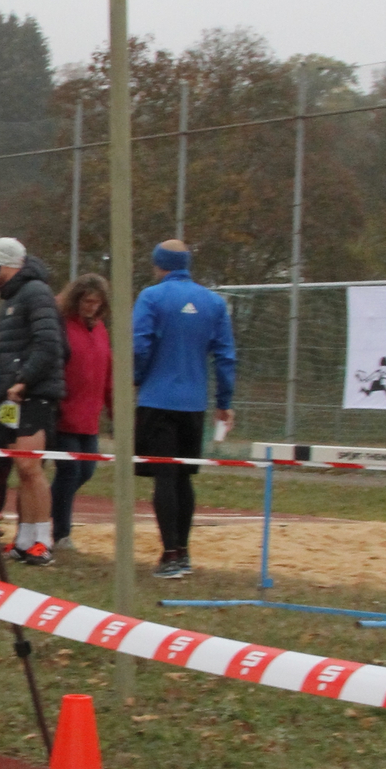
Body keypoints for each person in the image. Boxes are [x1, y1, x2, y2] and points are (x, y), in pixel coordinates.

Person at [133, 238, 236, 581]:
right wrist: (224, 402)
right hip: (194, 404)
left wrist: (136, 377)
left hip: (157, 400)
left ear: (159, 264)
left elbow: (140, 345)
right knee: (183, 478)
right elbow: (226, 356)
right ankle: (184, 551)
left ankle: (170, 555)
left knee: (164, 477)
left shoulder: (151, 297)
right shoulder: (214, 302)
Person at [0, 236, 65, 568]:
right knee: (22, 468)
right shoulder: (10, 299)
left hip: (34, 395)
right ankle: (24, 540)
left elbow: (49, 345)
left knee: (31, 467)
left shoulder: (36, 292)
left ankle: (43, 541)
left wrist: (24, 381)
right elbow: (12, 350)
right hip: (13, 396)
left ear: (5, 264)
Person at [52, 275, 113, 548]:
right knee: (70, 471)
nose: (92, 307)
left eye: (97, 303)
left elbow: (107, 372)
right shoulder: (62, 326)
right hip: (63, 416)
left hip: (90, 418)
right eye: (87, 301)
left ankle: (48, 506)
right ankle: (61, 532)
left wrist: (114, 408)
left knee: (86, 471)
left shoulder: (100, 330)